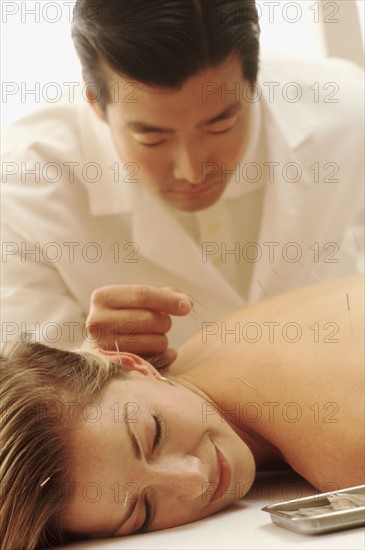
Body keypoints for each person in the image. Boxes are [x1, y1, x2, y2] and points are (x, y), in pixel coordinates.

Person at [1, 0, 363, 361]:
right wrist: (93, 367)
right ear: (96, 101)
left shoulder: (349, 116)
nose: (192, 171)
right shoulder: (20, 190)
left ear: (253, 80)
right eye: (152, 138)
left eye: (220, 125)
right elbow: (26, 397)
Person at [1, 274, 364, 549]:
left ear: (132, 363)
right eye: (143, 513)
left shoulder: (345, 440)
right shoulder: (198, 365)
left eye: (154, 434)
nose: (192, 480)